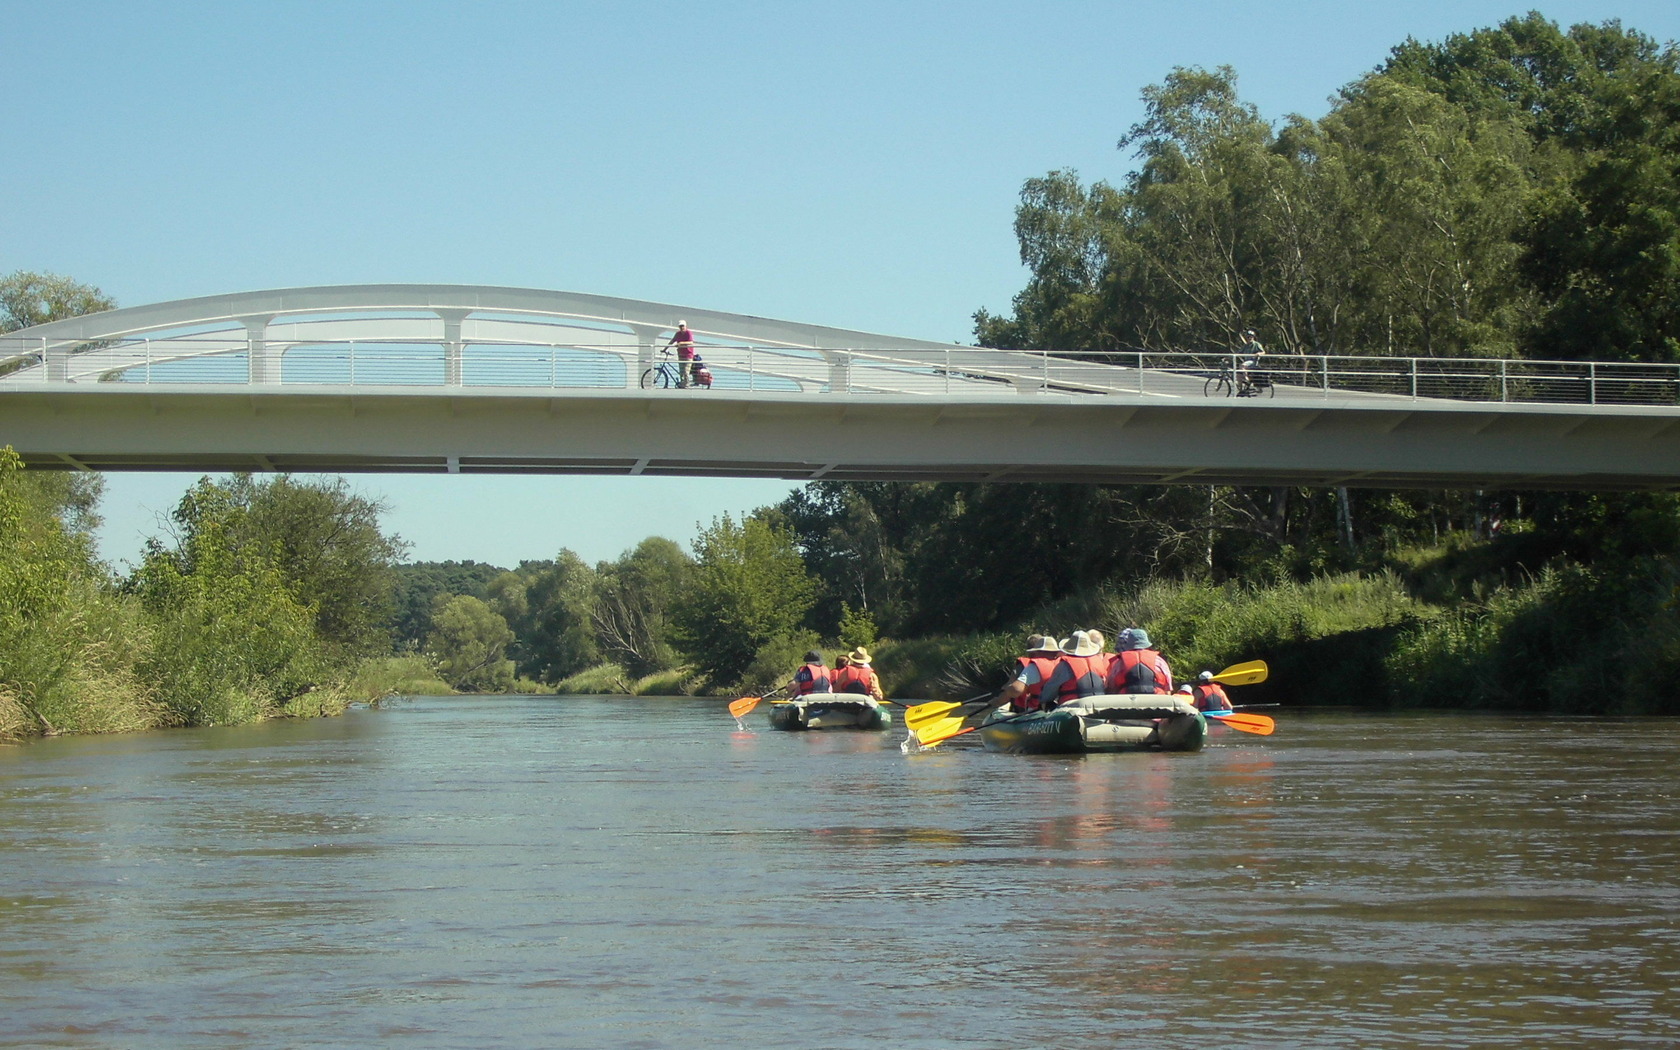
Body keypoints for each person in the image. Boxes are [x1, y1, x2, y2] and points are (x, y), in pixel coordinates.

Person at [1037, 630, 1114, 710]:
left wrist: (1042, 700)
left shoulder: (1064, 665)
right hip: (1100, 709)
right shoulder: (1098, 662)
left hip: (1073, 710)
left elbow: (1048, 693)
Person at [987, 633, 1063, 714]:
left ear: (1036, 652)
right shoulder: (1064, 665)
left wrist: (998, 700)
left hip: (1035, 710)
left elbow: (1015, 690)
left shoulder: (1033, 666)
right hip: (1059, 707)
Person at [1107, 627, 1173, 695]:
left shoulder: (1120, 662)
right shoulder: (1159, 661)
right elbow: (1168, 688)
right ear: (1147, 644)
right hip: (1155, 700)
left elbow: (1111, 686)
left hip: (1128, 701)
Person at [1236, 329, 1268, 396]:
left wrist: (1258, 353)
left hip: (1253, 362)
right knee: (1238, 375)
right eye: (1248, 337)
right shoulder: (1246, 345)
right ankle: (1241, 390)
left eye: (1251, 337)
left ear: (1253, 337)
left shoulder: (1257, 344)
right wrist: (1230, 357)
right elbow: (1238, 352)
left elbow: (1263, 352)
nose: (1249, 338)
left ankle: (1246, 379)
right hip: (1247, 362)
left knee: (1242, 365)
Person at [667, 320, 696, 388]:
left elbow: (691, 343)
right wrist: (665, 349)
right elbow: (672, 341)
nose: (681, 327)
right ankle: (682, 386)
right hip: (681, 355)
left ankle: (687, 386)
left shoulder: (688, 333)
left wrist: (680, 343)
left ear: (685, 326)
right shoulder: (678, 334)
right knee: (681, 372)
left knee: (686, 372)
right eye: (680, 326)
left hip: (688, 355)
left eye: (683, 326)